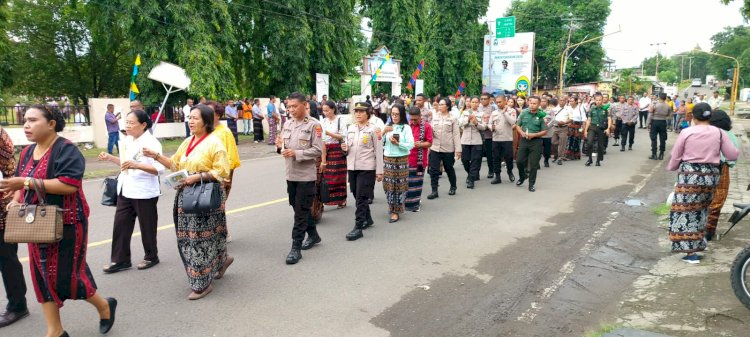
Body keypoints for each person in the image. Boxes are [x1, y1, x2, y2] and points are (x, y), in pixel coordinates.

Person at [0, 104, 117, 336]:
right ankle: (55, 330)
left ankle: (104, 305)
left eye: (33, 120)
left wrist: (23, 183)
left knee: (66, 278)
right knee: (41, 275)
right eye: (25, 120)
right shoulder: (26, 152)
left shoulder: (67, 150)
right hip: (36, 224)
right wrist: (18, 198)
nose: (26, 125)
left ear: (51, 124)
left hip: (69, 223)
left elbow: (68, 185)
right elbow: (24, 183)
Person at [143, 104, 233, 300]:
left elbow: (222, 171)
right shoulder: (187, 142)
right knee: (193, 236)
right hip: (186, 194)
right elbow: (175, 164)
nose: (191, 121)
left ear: (206, 122)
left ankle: (201, 284)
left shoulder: (215, 143)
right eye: (189, 118)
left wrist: (197, 177)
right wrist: (155, 156)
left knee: (198, 239)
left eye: (195, 118)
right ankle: (222, 260)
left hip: (206, 194)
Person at [666, 103, 739, 264]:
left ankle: (691, 253)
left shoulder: (687, 132)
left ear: (693, 116)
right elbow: (732, 155)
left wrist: (672, 167)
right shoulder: (720, 133)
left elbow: (676, 155)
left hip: (690, 177)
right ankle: (700, 243)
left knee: (684, 212)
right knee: (702, 210)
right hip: (711, 176)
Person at [98, 109, 164, 274]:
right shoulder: (127, 140)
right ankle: (120, 260)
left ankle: (151, 256)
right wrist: (110, 157)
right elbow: (125, 163)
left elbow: (159, 169)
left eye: (131, 123)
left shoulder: (152, 142)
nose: (127, 126)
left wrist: (137, 165)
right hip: (125, 189)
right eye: (126, 122)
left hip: (144, 191)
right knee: (120, 225)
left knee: (147, 226)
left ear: (143, 125)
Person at [274, 92, 324, 262]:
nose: (291, 109)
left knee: (300, 212)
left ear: (304, 105)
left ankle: (296, 247)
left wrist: (297, 153)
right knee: (297, 207)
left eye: (294, 106)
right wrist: (279, 147)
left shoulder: (313, 125)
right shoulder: (287, 124)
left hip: (305, 176)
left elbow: (317, 150)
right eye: (288, 107)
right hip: (291, 174)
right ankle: (313, 235)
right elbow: (283, 147)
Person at [342, 102, 384, 241]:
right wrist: (344, 148)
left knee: (361, 197)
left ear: (368, 113)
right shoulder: (351, 128)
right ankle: (368, 218)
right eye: (356, 111)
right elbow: (348, 148)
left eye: (361, 111)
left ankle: (358, 227)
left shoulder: (374, 130)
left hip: (367, 167)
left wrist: (379, 171)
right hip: (352, 167)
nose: (358, 114)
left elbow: (378, 151)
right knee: (355, 193)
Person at [0, 126, 27, 329]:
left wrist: (12, 197)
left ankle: (18, 305)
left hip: (2, 204)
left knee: (6, 257)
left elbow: (10, 168)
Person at [706, 110, 740, 241]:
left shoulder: (706, 132)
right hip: (722, 168)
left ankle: (697, 228)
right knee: (718, 198)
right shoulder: (730, 135)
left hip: (704, 167)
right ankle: (709, 230)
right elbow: (733, 157)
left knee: (702, 197)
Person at [382, 104, 415, 222]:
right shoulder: (387, 126)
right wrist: (382, 132)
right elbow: (378, 143)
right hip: (388, 159)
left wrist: (398, 144)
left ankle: (396, 210)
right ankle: (391, 207)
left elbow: (411, 145)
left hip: (401, 159)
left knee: (400, 186)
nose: (394, 117)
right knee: (388, 185)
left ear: (401, 114)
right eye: (392, 114)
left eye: (397, 114)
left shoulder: (405, 127)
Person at [427, 98, 461, 199]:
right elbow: (430, 130)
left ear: (447, 106)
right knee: (433, 169)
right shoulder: (435, 117)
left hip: (448, 148)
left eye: (442, 104)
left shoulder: (453, 118)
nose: (440, 106)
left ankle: (453, 186)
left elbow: (456, 134)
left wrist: (458, 150)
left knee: (448, 168)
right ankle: (434, 190)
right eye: (439, 104)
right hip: (435, 147)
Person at [513, 96, 547, 192]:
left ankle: (531, 184)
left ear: (539, 104)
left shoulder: (542, 115)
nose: (532, 105)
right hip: (524, 140)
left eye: (534, 103)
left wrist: (534, 135)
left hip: (536, 141)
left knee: (533, 164)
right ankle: (523, 176)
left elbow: (545, 131)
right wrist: (522, 133)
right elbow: (517, 126)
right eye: (531, 103)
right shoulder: (524, 113)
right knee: (519, 161)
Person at [320, 101, 348, 209]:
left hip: (337, 150)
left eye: (327, 110)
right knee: (326, 176)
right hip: (325, 149)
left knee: (338, 177)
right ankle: (326, 199)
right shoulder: (323, 121)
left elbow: (343, 136)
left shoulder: (340, 120)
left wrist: (328, 133)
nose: (325, 113)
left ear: (333, 109)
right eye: (323, 110)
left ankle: (341, 200)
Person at [405, 106, 433, 212]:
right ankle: (407, 203)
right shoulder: (406, 126)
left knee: (417, 183)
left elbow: (429, 143)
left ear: (420, 117)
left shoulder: (426, 126)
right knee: (407, 182)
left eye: (415, 119)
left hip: (420, 161)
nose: (413, 121)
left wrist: (420, 144)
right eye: (411, 119)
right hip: (407, 159)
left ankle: (415, 204)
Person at [459, 97, 486, 189]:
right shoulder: (465, 113)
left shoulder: (482, 114)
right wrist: (467, 120)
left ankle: (471, 180)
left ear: (479, 103)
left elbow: (484, 127)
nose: (474, 104)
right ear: (470, 103)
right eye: (472, 102)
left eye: (476, 102)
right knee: (465, 160)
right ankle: (472, 174)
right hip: (465, 140)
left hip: (476, 140)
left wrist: (476, 123)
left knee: (475, 160)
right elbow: (460, 123)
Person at [489, 95, 516, 183]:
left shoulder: (512, 111)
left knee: (509, 157)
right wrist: (491, 127)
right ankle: (497, 176)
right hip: (496, 139)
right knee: (496, 158)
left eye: (500, 102)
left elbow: (512, 121)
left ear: (505, 101)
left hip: (507, 138)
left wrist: (505, 113)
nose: (498, 104)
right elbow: (489, 123)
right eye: (497, 102)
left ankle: (510, 171)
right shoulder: (494, 113)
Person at [584, 94, 612, 167]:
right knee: (589, 143)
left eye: (600, 100)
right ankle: (590, 159)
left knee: (600, 145)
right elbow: (589, 119)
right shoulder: (592, 109)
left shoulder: (606, 109)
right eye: (597, 100)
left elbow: (609, 119)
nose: (598, 101)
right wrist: (585, 130)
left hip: (601, 128)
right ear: (594, 100)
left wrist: (608, 128)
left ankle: (598, 160)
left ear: (602, 100)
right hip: (592, 127)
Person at [647, 93, 672, 160]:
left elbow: (650, 115)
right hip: (663, 122)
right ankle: (661, 154)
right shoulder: (668, 106)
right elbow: (669, 116)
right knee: (663, 139)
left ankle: (654, 154)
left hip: (654, 122)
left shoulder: (654, 105)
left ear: (659, 97)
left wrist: (648, 124)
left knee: (653, 139)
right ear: (665, 98)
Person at [478, 93, 496, 179]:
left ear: (489, 100)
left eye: (485, 99)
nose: (483, 100)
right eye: (481, 99)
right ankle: (476, 173)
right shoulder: (478, 108)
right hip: (478, 135)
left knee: (490, 155)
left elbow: (495, 121)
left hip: (489, 135)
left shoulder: (493, 108)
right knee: (477, 155)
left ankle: (491, 170)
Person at [551, 97, 571, 165]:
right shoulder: (554, 109)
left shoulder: (569, 109)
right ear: (558, 101)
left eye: (563, 100)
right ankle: (556, 155)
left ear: (565, 101)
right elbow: (552, 118)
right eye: (560, 100)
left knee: (562, 143)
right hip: (555, 127)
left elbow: (571, 119)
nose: (562, 102)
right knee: (554, 142)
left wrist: (564, 122)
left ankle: (560, 158)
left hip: (563, 128)